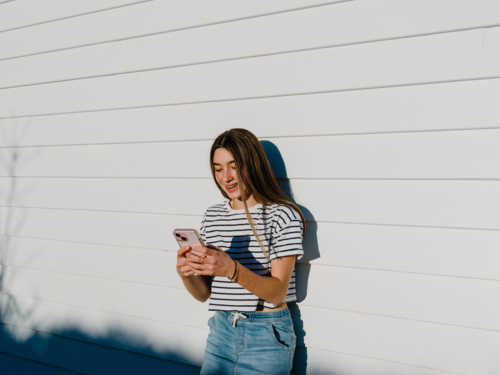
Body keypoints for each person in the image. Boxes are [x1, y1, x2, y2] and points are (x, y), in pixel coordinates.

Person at [176, 128, 305, 375]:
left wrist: (232, 269)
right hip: (221, 331)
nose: (226, 177)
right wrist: (185, 273)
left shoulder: (282, 215)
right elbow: (203, 294)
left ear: (253, 164)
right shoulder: (213, 216)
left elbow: (278, 292)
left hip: (267, 336)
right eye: (218, 168)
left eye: (234, 166)